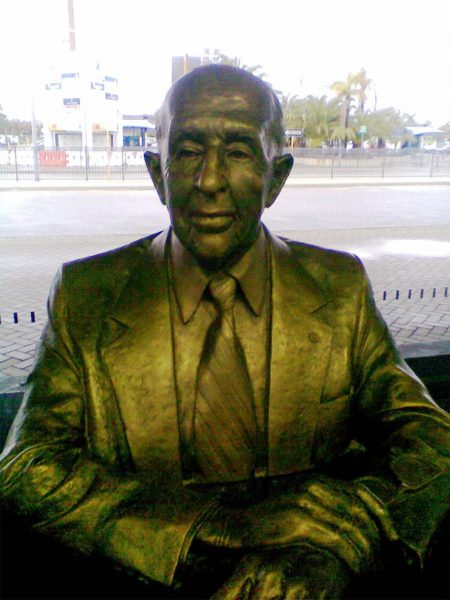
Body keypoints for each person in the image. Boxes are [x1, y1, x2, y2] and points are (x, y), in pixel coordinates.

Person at [1, 65, 449, 599]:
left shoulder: (339, 287)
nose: (209, 180)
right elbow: (27, 467)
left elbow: (431, 439)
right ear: (156, 172)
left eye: (237, 151)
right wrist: (217, 527)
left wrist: (333, 547)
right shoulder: (87, 294)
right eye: (188, 150)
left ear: (276, 176)